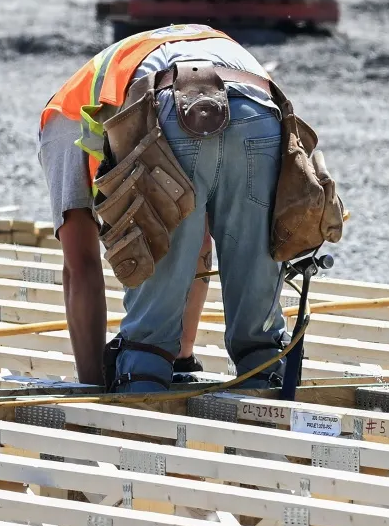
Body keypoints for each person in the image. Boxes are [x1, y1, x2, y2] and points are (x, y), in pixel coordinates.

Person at [39, 24, 289, 393]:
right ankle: (266, 373)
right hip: (260, 103)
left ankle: (142, 379)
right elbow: (198, 244)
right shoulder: (129, 65)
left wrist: (94, 385)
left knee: (147, 342)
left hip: (171, 101)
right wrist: (183, 359)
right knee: (256, 278)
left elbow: (81, 268)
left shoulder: (61, 119)